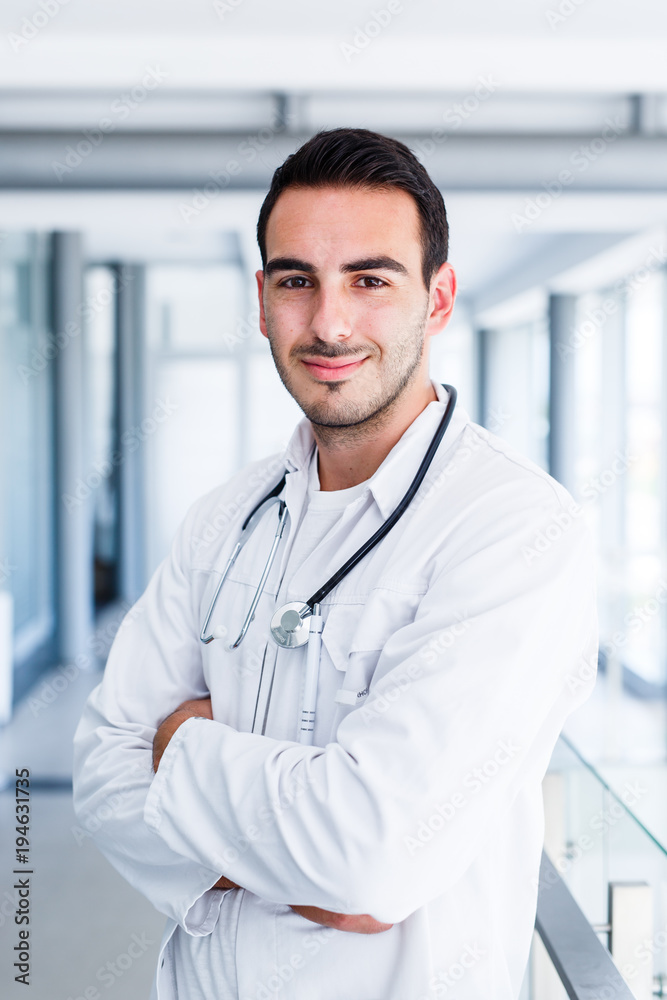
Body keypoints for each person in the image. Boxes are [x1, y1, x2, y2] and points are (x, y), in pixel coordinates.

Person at [73, 127, 598, 1000]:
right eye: (296, 281)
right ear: (262, 299)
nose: (328, 323)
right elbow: (99, 769)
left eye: (370, 279)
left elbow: (370, 856)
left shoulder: (512, 528)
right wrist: (301, 847)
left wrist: (178, 747)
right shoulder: (224, 521)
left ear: (438, 299)